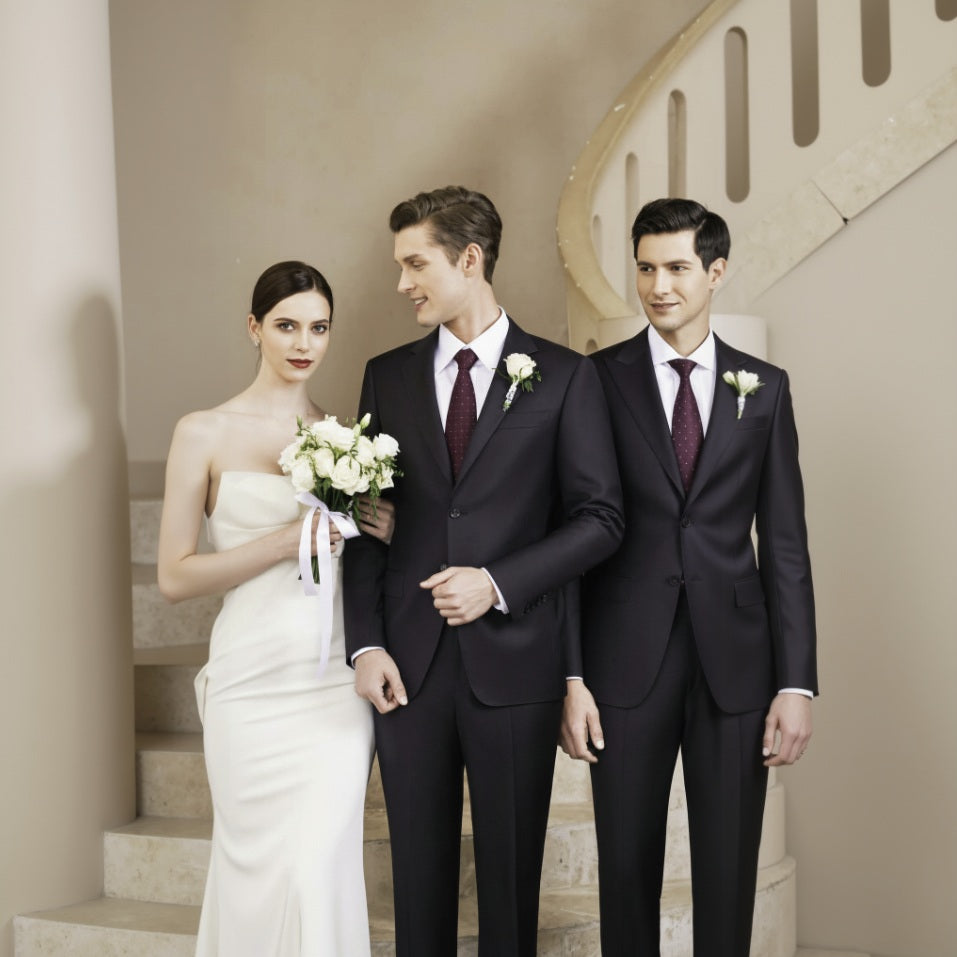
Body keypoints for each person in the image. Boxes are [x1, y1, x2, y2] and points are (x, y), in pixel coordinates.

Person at [342, 186, 624, 957]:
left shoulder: (566, 377)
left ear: (469, 260)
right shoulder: (386, 376)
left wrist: (495, 582)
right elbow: (366, 521)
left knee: (509, 894)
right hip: (409, 668)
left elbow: (600, 520)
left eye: (415, 263)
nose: (402, 283)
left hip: (517, 666)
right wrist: (364, 644)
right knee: (418, 889)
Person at [561, 198, 817, 957]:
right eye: (644, 267)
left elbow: (786, 545)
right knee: (626, 872)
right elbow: (572, 535)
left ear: (715, 271)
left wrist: (795, 683)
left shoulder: (762, 388)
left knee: (728, 870)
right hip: (621, 663)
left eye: (675, 267)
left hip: (735, 666)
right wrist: (572, 673)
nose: (658, 285)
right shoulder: (592, 381)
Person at [157, 261, 393, 957]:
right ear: (254, 327)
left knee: (318, 866)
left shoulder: (349, 439)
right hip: (249, 677)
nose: (303, 342)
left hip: (330, 683)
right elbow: (174, 576)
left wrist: (385, 530)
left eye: (318, 327)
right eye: (286, 325)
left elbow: (368, 565)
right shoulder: (200, 431)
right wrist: (285, 539)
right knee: (252, 868)